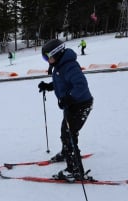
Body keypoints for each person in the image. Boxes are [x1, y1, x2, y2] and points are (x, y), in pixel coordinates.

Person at [38, 39, 93, 182]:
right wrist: (49, 86)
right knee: (66, 132)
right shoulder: (60, 65)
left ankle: (75, 170)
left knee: (69, 135)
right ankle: (66, 153)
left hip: (80, 105)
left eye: (47, 57)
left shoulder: (69, 65)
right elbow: (62, 81)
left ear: (57, 54)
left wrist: (69, 98)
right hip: (72, 105)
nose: (47, 60)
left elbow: (80, 85)